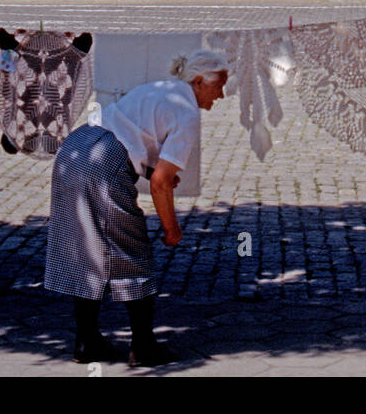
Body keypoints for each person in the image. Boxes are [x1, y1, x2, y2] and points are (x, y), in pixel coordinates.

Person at [44, 48, 228, 368]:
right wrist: (172, 228)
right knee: (132, 251)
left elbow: (135, 138)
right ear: (199, 81)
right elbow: (160, 181)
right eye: (219, 85)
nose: (222, 95)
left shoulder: (159, 89)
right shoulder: (187, 112)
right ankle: (143, 347)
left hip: (74, 149)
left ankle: (87, 342)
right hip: (104, 162)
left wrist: (152, 173)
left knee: (85, 245)